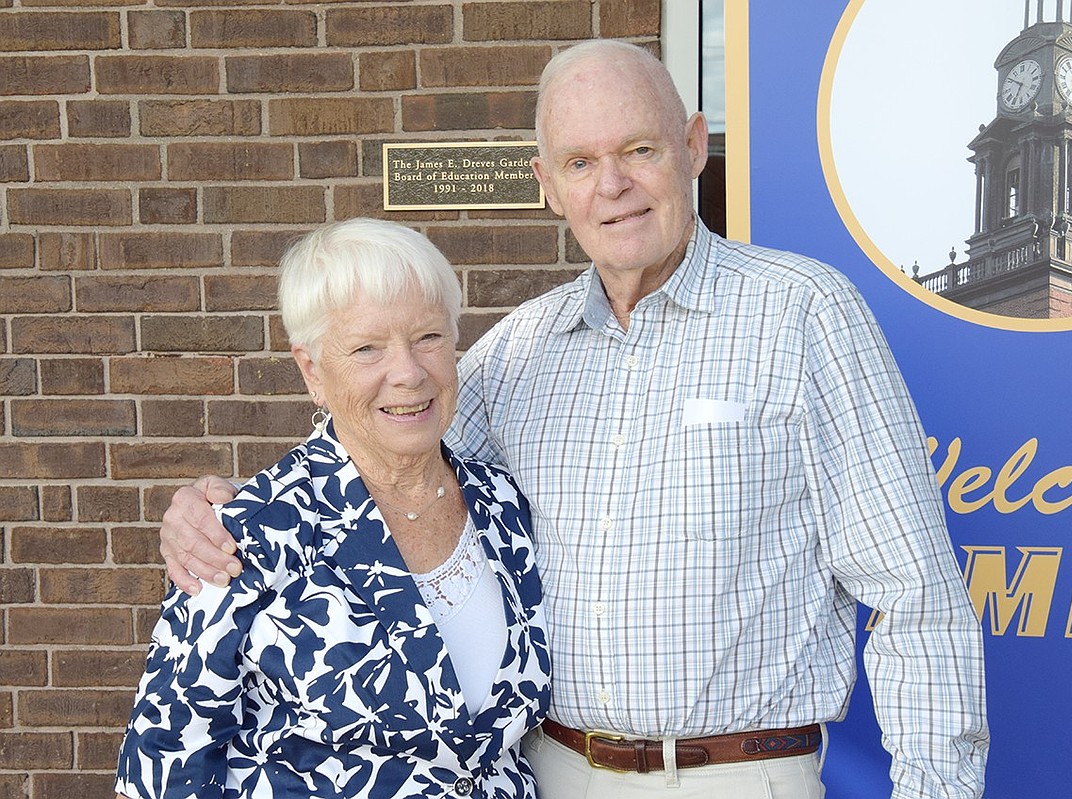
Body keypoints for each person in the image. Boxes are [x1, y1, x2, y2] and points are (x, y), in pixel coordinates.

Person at [159, 40, 988, 799]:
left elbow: (916, 597)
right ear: (547, 185)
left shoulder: (804, 314)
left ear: (694, 147)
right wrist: (223, 513)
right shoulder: (521, 350)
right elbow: (384, 446)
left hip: (737, 776)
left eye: (639, 149)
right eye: (581, 162)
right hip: (551, 775)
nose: (613, 185)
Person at [116, 218, 551, 799]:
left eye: (428, 337)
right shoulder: (253, 530)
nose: (408, 372)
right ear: (312, 371)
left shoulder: (504, 505)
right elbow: (162, 766)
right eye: (367, 348)